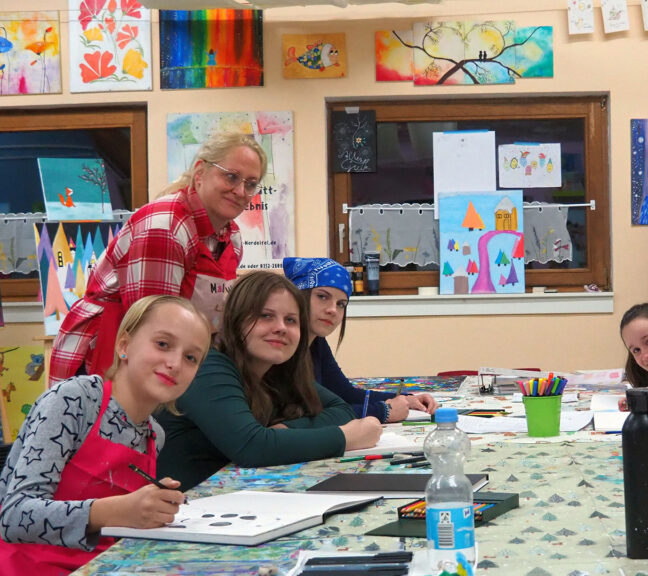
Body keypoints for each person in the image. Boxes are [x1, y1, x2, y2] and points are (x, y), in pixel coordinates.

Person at [0, 295, 212, 576]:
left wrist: (152, 509)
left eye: (190, 358)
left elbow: (113, 530)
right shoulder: (74, 400)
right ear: (124, 345)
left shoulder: (154, 434)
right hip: (14, 567)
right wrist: (116, 510)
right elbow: (14, 518)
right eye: (163, 344)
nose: (175, 363)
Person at [49, 130, 267, 386]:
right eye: (231, 177)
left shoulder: (232, 237)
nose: (240, 191)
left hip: (173, 352)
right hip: (109, 354)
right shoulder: (165, 226)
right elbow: (151, 324)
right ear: (200, 173)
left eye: (251, 184)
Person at [157, 271, 382, 490]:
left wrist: (285, 430)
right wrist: (344, 437)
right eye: (266, 316)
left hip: (237, 498)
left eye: (291, 320)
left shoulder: (277, 368)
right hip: (184, 511)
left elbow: (340, 408)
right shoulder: (208, 366)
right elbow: (252, 448)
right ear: (236, 319)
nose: (281, 328)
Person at [282, 257, 439, 423]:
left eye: (341, 304)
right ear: (299, 296)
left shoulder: (316, 343)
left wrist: (405, 398)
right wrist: (383, 411)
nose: (332, 310)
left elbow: (345, 393)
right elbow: (309, 415)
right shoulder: (282, 348)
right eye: (322, 297)